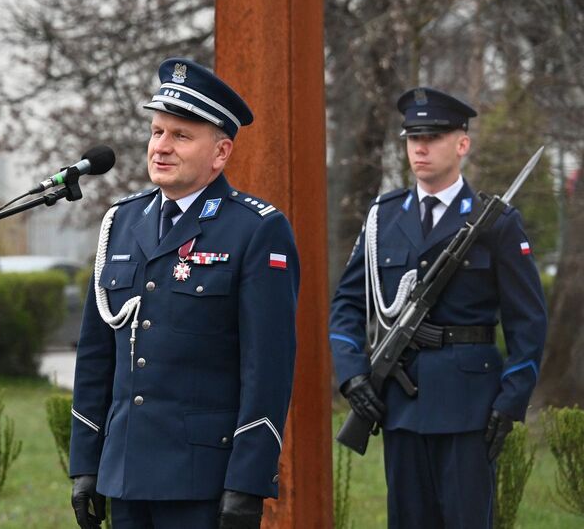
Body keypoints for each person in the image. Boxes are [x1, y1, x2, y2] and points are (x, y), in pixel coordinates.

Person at [68, 58, 299, 529]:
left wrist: (248, 481)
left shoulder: (256, 230)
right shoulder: (122, 222)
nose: (161, 148)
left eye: (181, 136)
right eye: (157, 132)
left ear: (220, 153)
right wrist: (85, 462)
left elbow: (268, 367)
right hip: (125, 471)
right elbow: (95, 356)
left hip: (203, 479)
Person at [329, 87, 548, 528]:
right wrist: (353, 375)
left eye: (433, 136)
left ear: (462, 144)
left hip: (469, 409)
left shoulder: (497, 223)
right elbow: (347, 305)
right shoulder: (382, 218)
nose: (421, 148)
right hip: (400, 409)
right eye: (413, 138)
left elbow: (529, 323)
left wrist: (510, 401)